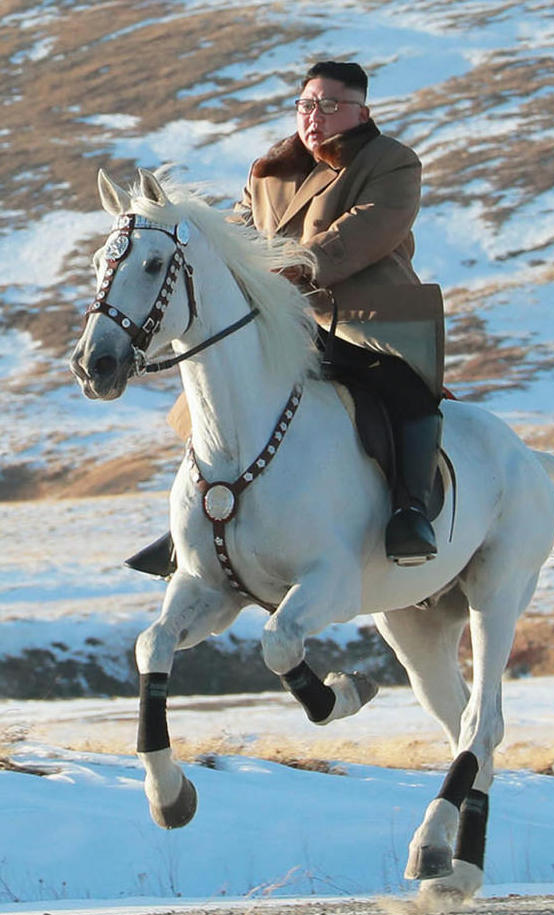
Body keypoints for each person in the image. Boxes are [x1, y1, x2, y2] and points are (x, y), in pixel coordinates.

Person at [127, 60, 445, 576]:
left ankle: (410, 512)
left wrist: (290, 266)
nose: (314, 116)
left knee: (405, 393)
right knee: (212, 398)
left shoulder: (391, 162)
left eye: (329, 105)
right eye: (306, 105)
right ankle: (199, 518)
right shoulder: (268, 170)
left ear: (361, 113)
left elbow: (364, 231)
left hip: (362, 318)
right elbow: (237, 232)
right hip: (281, 320)